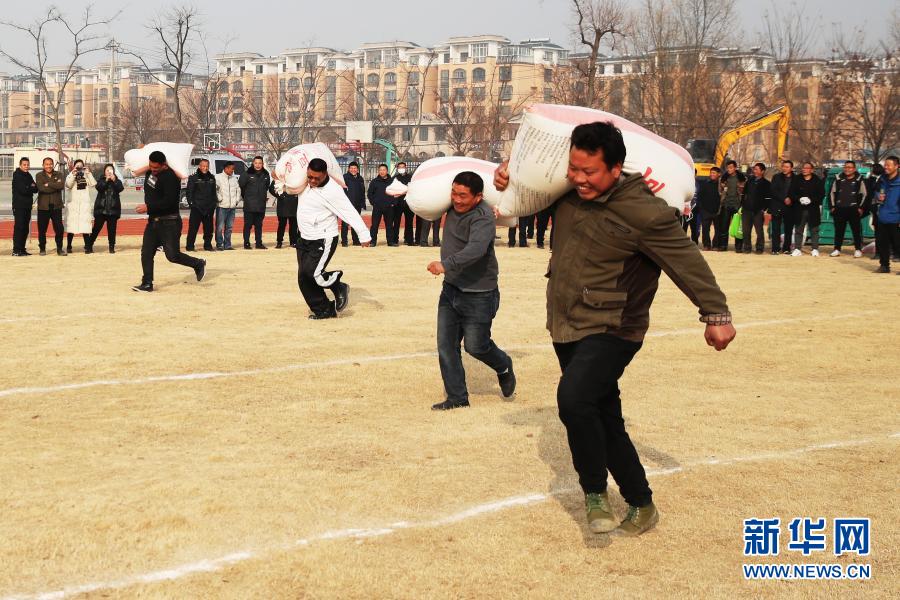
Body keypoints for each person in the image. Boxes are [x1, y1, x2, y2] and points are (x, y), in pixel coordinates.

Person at [494, 121, 734, 537]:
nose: (579, 178)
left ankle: (594, 492)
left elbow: (687, 263)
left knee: (573, 400)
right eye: (574, 169)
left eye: (590, 172)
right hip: (566, 322)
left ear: (616, 167)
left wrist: (716, 315)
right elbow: (523, 199)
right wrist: (508, 176)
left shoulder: (646, 211)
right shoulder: (566, 191)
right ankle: (641, 502)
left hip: (615, 327)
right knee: (604, 417)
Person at [427, 171, 515, 411]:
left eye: (463, 195)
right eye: (454, 193)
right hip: (451, 289)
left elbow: (476, 250)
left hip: (479, 293)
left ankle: (504, 365)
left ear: (477, 197)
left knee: (476, 346)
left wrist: (445, 265)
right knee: (446, 345)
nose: (456, 199)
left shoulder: (483, 216)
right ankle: (457, 398)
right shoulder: (449, 206)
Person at [296, 158, 371, 318]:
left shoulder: (333, 191)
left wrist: (363, 233)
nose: (313, 181)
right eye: (310, 177)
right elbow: (285, 188)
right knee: (304, 278)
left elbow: (349, 212)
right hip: (304, 237)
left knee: (312, 273)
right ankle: (324, 310)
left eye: (317, 178)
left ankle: (338, 285)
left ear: (325, 174)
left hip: (323, 238)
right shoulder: (302, 181)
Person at [132, 150, 206, 292]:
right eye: (150, 167)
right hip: (153, 221)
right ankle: (147, 283)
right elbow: (137, 173)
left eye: (156, 168)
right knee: (146, 252)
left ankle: (198, 264)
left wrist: (148, 206)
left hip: (170, 222)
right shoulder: (150, 174)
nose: (153, 170)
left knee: (172, 256)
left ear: (164, 165)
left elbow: (169, 201)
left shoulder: (170, 177)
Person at [829, 161, 867, 258]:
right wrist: (833, 207)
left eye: (850, 167)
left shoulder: (859, 180)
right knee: (839, 231)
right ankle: (837, 249)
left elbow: (865, 194)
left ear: (854, 169)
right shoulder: (838, 179)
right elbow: (832, 193)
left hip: (854, 209)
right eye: (845, 167)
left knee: (856, 230)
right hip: (840, 208)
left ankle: (858, 249)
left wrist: (861, 207)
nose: (847, 169)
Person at [787, 162, 825, 257]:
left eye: (807, 168)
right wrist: (798, 199)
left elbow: (821, 194)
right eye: (803, 168)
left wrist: (811, 200)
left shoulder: (817, 180)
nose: (804, 169)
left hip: (813, 209)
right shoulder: (796, 179)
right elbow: (791, 193)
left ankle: (815, 249)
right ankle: (797, 248)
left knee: (814, 230)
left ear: (811, 170)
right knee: (799, 229)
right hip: (799, 209)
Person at [872, 155, 900, 274]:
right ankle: (884, 266)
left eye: (889, 165)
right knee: (882, 243)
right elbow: (875, 193)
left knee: (898, 244)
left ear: (897, 166)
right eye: (885, 165)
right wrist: (878, 196)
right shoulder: (882, 179)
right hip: (882, 216)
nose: (886, 167)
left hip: (896, 218)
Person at [35, 157, 66, 256]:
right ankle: (42, 249)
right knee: (42, 229)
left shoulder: (59, 174)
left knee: (59, 229)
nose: (49, 166)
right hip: (43, 207)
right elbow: (41, 188)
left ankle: (60, 249)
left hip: (56, 206)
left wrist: (48, 184)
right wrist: (54, 186)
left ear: (53, 164)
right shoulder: (39, 175)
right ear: (43, 165)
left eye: (50, 164)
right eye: (46, 164)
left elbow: (61, 186)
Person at [89, 163, 123, 254]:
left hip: (113, 209)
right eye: (107, 170)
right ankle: (89, 245)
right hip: (101, 209)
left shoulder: (117, 180)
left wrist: (114, 180)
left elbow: (120, 188)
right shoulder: (101, 180)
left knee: (112, 230)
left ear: (113, 171)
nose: (109, 172)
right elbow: (99, 188)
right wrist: (106, 180)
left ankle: (111, 247)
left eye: (110, 170)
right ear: (104, 172)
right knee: (96, 228)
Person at [185, 159, 217, 252]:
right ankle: (190, 246)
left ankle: (208, 246)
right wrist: (192, 205)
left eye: (207, 166)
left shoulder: (212, 178)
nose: (205, 168)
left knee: (209, 229)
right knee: (193, 229)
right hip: (197, 208)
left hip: (209, 208)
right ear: (199, 166)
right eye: (203, 166)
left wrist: (213, 204)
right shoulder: (193, 178)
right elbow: (189, 193)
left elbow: (213, 193)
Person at [64, 159, 96, 253]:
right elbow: (68, 185)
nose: (79, 168)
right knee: (71, 227)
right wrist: (73, 173)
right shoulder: (70, 175)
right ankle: (69, 246)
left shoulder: (86, 175)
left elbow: (93, 183)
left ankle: (87, 247)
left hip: (84, 205)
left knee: (85, 226)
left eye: (80, 166)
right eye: (77, 166)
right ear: (74, 166)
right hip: (73, 204)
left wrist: (89, 173)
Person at [239, 155, 270, 249]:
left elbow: (266, 187)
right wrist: (247, 198)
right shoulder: (246, 174)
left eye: (260, 163)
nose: (258, 165)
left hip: (261, 205)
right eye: (256, 163)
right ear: (253, 163)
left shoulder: (266, 175)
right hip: (249, 205)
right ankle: (246, 243)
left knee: (259, 226)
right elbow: (241, 186)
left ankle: (259, 243)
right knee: (247, 225)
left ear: (262, 164)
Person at [741, 163, 771, 254]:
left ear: (762, 171)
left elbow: (768, 198)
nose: (755, 171)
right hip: (747, 209)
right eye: (754, 169)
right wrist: (743, 205)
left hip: (758, 210)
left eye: (757, 169)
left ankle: (759, 248)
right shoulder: (749, 181)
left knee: (759, 231)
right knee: (746, 230)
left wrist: (763, 209)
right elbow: (743, 194)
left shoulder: (766, 183)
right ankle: (747, 247)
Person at [11, 156, 37, 256]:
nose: (26, 167)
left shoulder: (28, 175)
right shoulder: (17, 175)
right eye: (24, 165)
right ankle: (16, 250)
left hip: (27, 206)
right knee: (19, 227)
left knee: (25, 228)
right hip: (19, 206)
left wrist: (30, 187)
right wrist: (30, 187)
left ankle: (22, 249)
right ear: (20, 165)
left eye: (28, 165)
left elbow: (35, 189)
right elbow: (23, 190)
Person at [717, 160, 745, 251]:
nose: (729, 169)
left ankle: (738, 247)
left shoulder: (742, 178)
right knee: (724, 226)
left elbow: (745, 192)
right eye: (727, 168)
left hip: (737, 206)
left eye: (731, 167)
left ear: (735, 168)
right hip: (726, 205)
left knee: (738, 227)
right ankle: (723, 246)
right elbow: (720, 191)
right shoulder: (724, 178)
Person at [368, 164, 397, 246]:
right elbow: (370, 194)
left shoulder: (392, 181)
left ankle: (390, 241)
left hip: (389, 207)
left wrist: (393, 203)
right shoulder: (374, 181)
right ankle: (372, 241)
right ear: (378, 171)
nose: (382, 171)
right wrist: (373, 203)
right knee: (374, 225)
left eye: (384, 170)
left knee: (389, 225)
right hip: (377, 207)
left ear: (387, 171)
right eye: (380, 170)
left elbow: (396, 193)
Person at [769, 160, 794, 254]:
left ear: (791, 168)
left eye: (787, 167)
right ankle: (775, 248)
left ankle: (786, 248)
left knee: (788, 229)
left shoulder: (795, 178)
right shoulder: (776, 177)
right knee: (776, 229)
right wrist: (784, 199)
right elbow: (773, 191)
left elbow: (797, 191)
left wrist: (791, 199)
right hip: (777, 206)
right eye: (783, 166)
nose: (785, 168)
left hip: (790, 207)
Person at [215, 161, 241, 250]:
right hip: (222, 207)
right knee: (219, 227)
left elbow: (238, 190)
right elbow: (215, 190)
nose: (232, 170)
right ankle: (219, 244)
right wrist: (219, 198)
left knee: (229, 227)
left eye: (233, 169)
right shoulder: (218, 177)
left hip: (232, 207)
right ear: (225, 168)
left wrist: (237, 200)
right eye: (231, 168)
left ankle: (228, 245)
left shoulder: (234, 179)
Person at [341, 161, 366, 247]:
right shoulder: (344, 177)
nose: (353, 170)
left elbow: (362, 192)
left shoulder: (360, 178)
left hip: (357, 204)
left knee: (356, 223)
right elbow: (341, 191)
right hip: (346, 205)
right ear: (348, 169)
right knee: (345, 224)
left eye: (355, 168)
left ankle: (355, 241)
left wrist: (363, 203)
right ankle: (344, 241)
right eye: (351, 168)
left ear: (357, 169)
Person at [863, 163, 885, 260]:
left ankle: (886, 252)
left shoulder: (884, 180)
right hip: (875, 208)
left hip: (882, 208)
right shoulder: (873, 179)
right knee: (877, 231)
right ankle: (878, 252)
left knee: (883, 232)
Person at [391, 161, 416, 245]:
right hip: (397, 203)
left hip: (408, 203)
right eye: (400, 167)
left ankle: (409, 240)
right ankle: (395, 240)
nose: (401, 168)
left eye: (403, 167)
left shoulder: (411, 177)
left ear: (406, 168)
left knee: (409, 222)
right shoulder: (394, 178)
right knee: (396, 222)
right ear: (397, 168)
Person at [697, 167, 721, 251]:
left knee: (718, 230)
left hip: (718, 211)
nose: (712, 174)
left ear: (719, 174)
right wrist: (702, 208)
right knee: (705, 229)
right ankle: (706, 245)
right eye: (711, 173)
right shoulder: (705, 184)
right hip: (706, 211)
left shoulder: (721, 185)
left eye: (714, 173)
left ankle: (715, 245)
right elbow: (700, 196)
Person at [270, 179, 299, 248]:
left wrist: (297, 195)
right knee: (282, 225)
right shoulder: (279, 177)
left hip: (294, 204)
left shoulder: (296, 176)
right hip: (283, 204)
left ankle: (293, 242)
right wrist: (279, 195)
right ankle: (279, 242)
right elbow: (271, 188)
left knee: (294, 225)